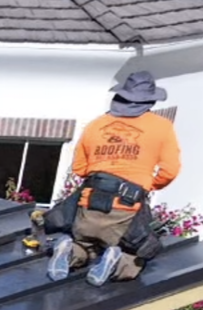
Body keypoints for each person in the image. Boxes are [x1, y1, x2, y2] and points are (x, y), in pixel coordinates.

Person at [46, 71, 182, 286]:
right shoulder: (161, 126)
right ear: (149, 100)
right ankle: (117, 258)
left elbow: (80, 169)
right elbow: (170, 170)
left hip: (89, 203)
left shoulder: (95, 125)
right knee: (133, 256)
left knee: (85, 245)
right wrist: (146, 185)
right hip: (126, 209)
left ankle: (69, 249)